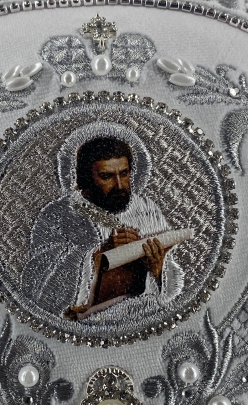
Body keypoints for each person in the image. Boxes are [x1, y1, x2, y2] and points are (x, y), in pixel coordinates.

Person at [20, 136, 185, 320]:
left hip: (141, 313)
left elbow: (172, 284)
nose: (119, 185)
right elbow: (39, 281)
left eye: (124, 173)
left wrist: (158, 269)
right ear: (87, 177)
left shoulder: (146, 209)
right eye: (107, 176)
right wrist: (103, 252)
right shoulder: (59, 214)